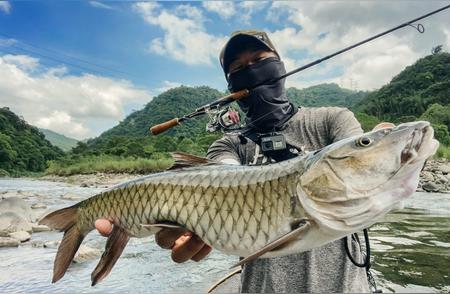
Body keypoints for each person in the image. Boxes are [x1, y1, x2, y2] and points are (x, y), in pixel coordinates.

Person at [95, 30, 382, 292]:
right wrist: (184, 220)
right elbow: (224, 176)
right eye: (239, 69)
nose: (252, 71)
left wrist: (383, 150)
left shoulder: (332, 120)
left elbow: (359, 163)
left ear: (280, 66)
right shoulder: (229, 144)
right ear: (232, 85)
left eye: (260, 60)